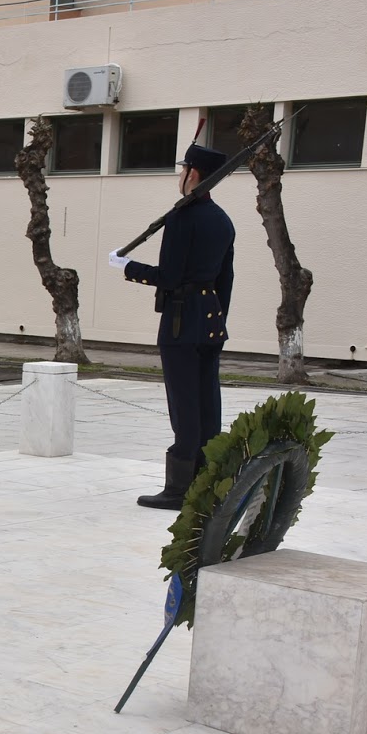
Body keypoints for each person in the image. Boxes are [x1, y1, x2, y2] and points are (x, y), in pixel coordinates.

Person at [110, 142, 236, 511]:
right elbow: (225, 279)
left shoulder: (183, 217)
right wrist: (219, 320)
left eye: (183, 170)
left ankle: (180, 489)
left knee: (184, 406)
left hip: (182, 320)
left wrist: (128, 267)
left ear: (192, 174)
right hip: (211, 319)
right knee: (207, 403)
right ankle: (209, 481)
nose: (179, 176)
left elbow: (168, 276)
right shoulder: (222, 219)